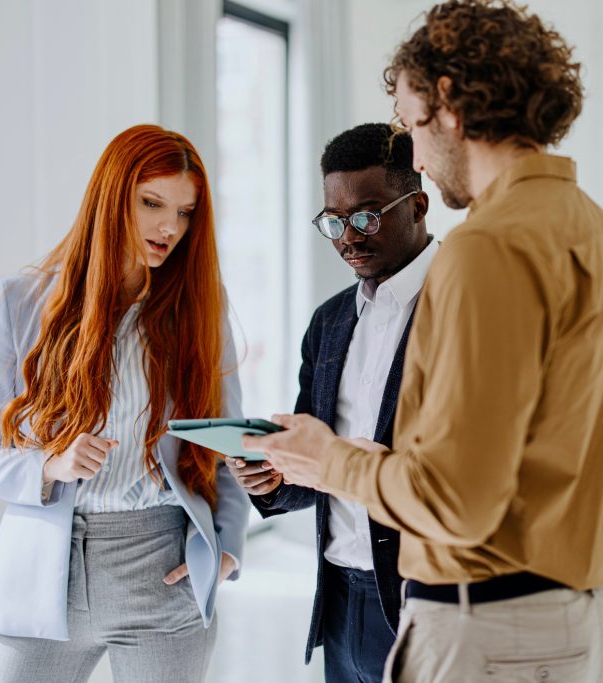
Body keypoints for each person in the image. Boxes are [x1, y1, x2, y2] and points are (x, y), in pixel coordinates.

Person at [243, 2, 603, 682]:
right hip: (578, 621)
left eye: (412, 125)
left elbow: (458, 499)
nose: (420, 158)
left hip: (481, 630)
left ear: (452, 106)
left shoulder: (487, 247)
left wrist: (328, 458)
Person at [0, 124, 250, 683]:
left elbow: (224, 442)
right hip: (44, 575)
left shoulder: (199, 313)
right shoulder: (20, 306)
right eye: (152, 203)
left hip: (163, 569)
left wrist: (228, 548)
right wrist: (50, 464)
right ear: (111, 195)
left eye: (186, 213)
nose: (170, 227)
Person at [225, 123, 436, 683]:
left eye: (366, 215)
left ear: (417, 205)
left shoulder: (460, 310)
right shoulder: (331, 320)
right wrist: (271, 477)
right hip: (339, 595)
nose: (348, 236)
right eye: (334, 221)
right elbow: (316, 463)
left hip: (424, 597)